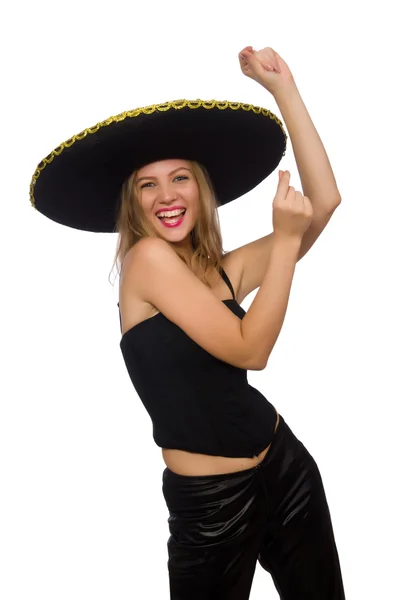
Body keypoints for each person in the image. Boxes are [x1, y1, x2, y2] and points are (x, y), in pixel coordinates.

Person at [30, 46, 344, 599]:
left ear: (202, 189)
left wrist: (284, 91)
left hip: (285, 469)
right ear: (133, 201)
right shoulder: (146, 262)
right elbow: (252, 350)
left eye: (180, 179)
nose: (167, 196)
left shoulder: (222, 272)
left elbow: (324, 201)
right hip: (210, 503)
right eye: (149, 185)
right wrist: (287, 239)